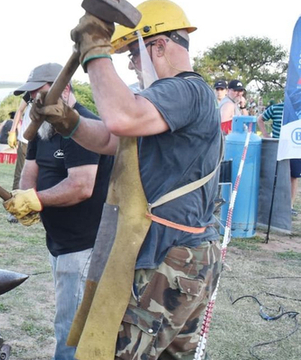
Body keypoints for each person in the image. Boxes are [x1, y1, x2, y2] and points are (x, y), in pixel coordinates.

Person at [31, 0, 223, 358]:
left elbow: (120, 117)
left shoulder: (185, 90)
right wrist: (67, 121)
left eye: (134, 53)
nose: (132, 64)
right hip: (182, 256)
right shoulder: (165, 104)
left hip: (172, 258)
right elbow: (108, 138)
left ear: (159, 46)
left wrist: (95, 49)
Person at [3, 63, 112, 360]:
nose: (32, 105)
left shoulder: (85, 128)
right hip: (59, 244)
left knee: (71, 330)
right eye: (29, 99)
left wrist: (37, 201)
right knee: (67, 319)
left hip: (84, 246)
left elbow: (81, 186)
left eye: (37, 96)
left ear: (63, 90)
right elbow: (30, 170)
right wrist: (25, 197)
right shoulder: (43, 127)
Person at [6, 63, 62, 223]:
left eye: (36, 91)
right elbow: (19, 110)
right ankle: (16, 209)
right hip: (27, 138)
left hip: (42, 134)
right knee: (21, 174)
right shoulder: (29, 96)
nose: (32, 96)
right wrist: (12, 131)